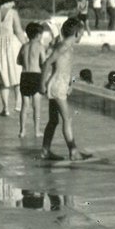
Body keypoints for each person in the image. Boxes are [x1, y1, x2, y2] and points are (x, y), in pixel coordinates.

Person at [40, 17, 88, 161]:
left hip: (59, 84)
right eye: (82, 33)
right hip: (57, 85)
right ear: (77, 34)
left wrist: (70, 83)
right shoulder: (64, 47)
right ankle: (73, 151)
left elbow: (66, 67)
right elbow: (47, 63)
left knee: (53, 120)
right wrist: (41, 83)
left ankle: (45, 150)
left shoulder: (65, 46)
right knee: (67, 119)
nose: (82, 36)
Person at [16, 22, 47, 138]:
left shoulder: (24, 46)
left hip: (24, 75)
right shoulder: (40, 46)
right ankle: (37, 130)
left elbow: (18, 61)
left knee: (25, 105)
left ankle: (22, 131)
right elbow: (43, 62)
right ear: (38, 35)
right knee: (36, 106)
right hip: (36, 75)